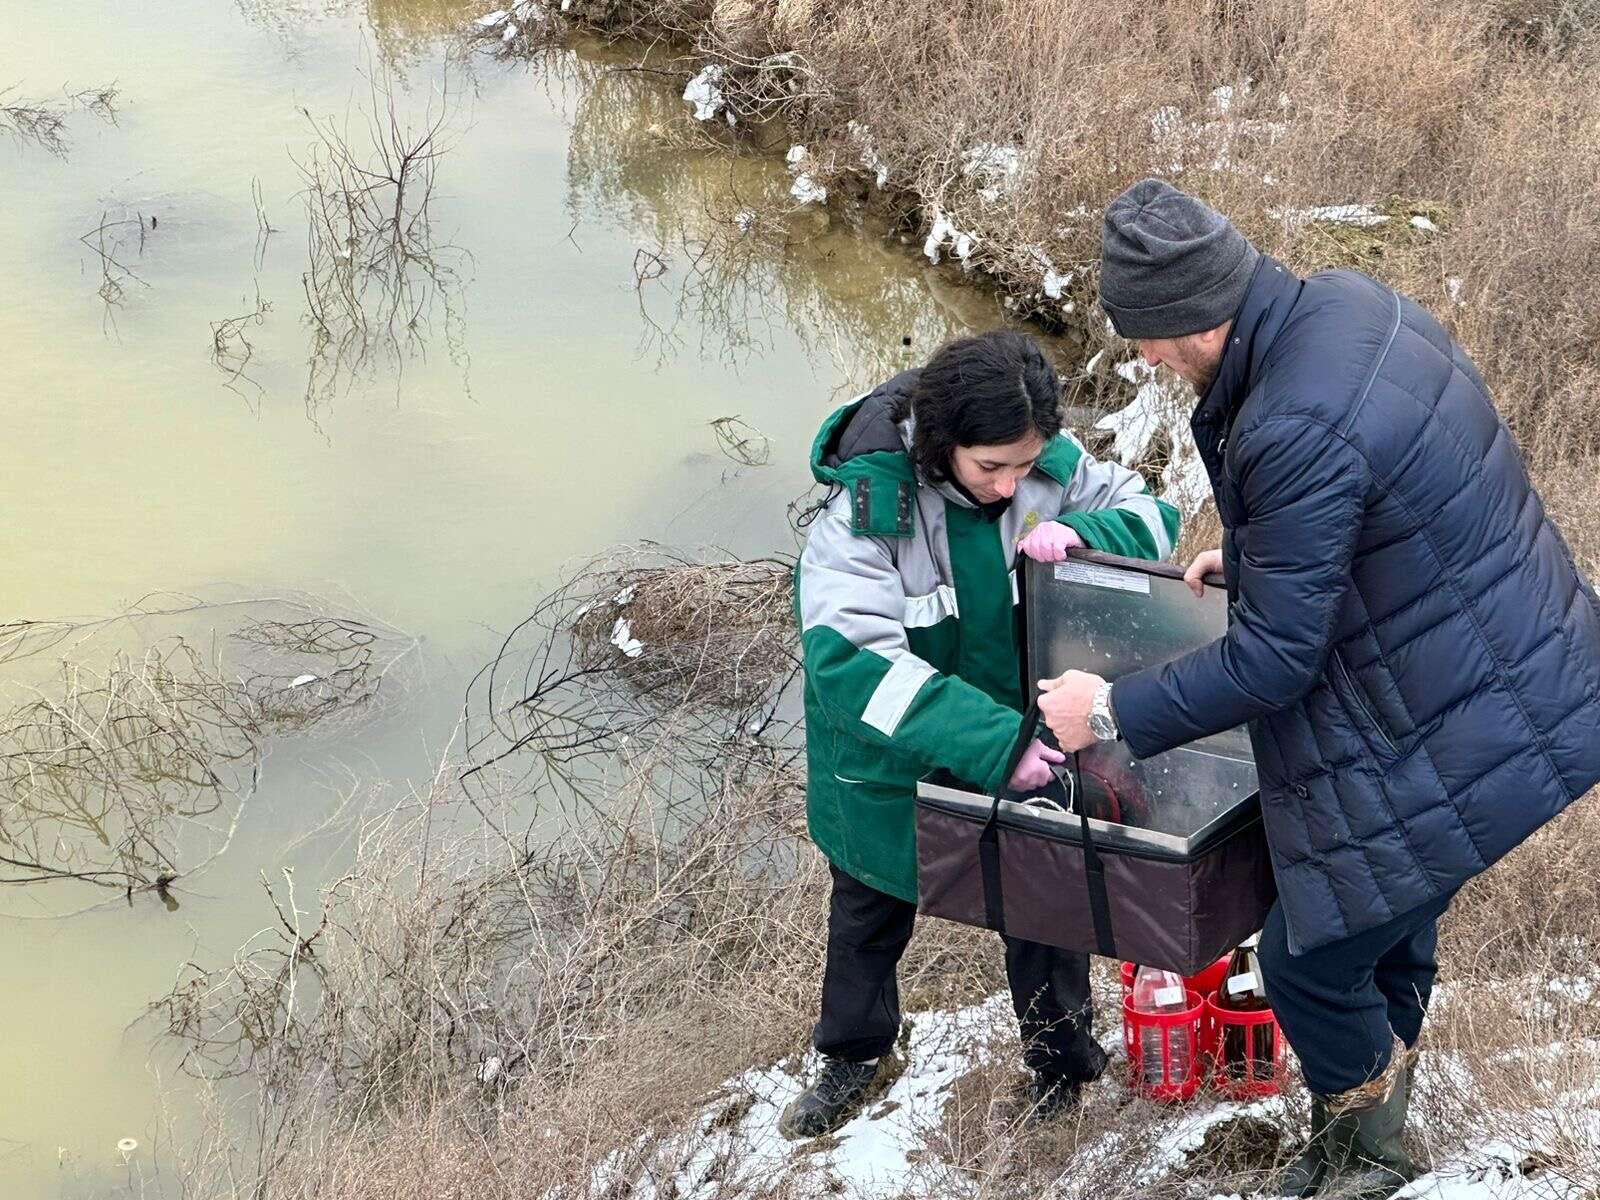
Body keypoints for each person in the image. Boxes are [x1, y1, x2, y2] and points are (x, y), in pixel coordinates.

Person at [1039, 179, 1600, 1199]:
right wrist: (1263, 560)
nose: (1145, 359)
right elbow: (1387, 501)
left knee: (1306, 962)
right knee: (1387, 912)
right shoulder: (1346, 305)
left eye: (1147, 337)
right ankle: (1372, 1111)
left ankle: (1370, 1155)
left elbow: (1273, 663)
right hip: (1508, 662)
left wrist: (1109, 711)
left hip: (1466, 718)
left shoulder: (1291, 421)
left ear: (1196, 315)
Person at [780, 329, 1179, 1138]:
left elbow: (1154, 515)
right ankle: (855, 1056)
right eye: (990, 467)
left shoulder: (1043, 463)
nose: (1009, 486)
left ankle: (1062, 1065)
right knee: (867, 909)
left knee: (1045, 906)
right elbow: (850, 665)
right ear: (941, 443)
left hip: (1025, 737)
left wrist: (1089, 538)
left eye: (1023, 466)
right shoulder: (867, 512)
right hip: (893, 755)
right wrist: (992, 743)